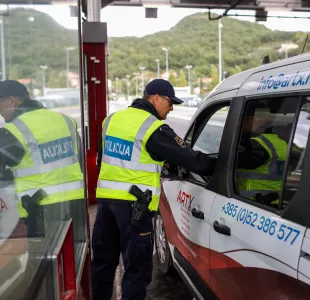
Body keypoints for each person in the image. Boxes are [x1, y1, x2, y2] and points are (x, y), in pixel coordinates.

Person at [92, 79, 216, 300]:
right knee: (136, 270)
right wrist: (222, 165)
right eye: (170, 102)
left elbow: (106, 160)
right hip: (134, 209)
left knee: (103, 264)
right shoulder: (153, 126)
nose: (171, 108)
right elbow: (191, 160)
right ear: (156, 98)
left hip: (105, 205)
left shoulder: (111, 120)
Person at [0, 80, 84, 237]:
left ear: (12, 100)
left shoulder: (13, 131)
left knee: (43, 258)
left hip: (39, 208)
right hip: (74, 203)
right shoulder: (65, 120)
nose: (0, 111)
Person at [236, 114, 288, 206]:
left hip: (250, 203)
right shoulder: (283, 143)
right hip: (272, 203)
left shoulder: (257, 145)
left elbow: (224, 164)